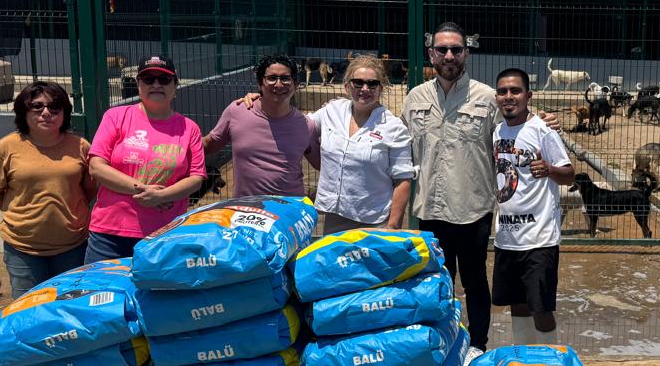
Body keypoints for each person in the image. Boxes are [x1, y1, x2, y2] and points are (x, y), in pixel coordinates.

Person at [403, 22, 559, 362]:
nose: (449, 56)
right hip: (429, 209)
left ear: (467, 54)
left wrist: (545, 119)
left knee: (474, 281)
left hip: (472, 209)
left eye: (456, 50)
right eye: (442, 49)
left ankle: (477, 345)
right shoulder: (414, 98)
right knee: (437, 283)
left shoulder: (488, 98)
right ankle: (442, 343)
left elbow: (516, 128)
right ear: (431, 54)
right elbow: (398, 144)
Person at [84, 55, 206, 263]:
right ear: (139, 84)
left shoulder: (189, 128)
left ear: (175, 85)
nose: (156, 84)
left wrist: (161, 196)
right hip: (110, 234)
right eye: (148, 79)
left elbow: (196, 178)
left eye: (164, 79)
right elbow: (96, 166)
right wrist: (142, 190)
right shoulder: (116, 117)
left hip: (164, 233)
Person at [0, 82, 94, 297]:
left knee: (69, 304)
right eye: (37, 106)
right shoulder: (6, 147)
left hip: (73, 246)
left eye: (54, 107)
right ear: (23, 111)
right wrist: (23, 216)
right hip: (23, 248)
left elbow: (89, 190)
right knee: (28, 307)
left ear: (64, 113)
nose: (46, 113)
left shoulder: (81, 146)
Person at [490, 68, 574, 343]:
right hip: (507, 238)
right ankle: (525, 358)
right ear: (496, 97)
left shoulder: (543, 130)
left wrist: (549, 169)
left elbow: (569, 174)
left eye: (515, 91)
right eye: (502, 91)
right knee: (517, 304)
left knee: (541, 308)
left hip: (539, 239)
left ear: (529, 95)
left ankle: (549, 362)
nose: (508, 96)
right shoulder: (497, 131)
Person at [311, 55, 414, 232]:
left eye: (372, 84)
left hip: (374, 222)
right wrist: (263, 103)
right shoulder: (331, 111)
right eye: (358, 83)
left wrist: (393, 226)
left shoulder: (394, 127)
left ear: (381, 88)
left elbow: (403, 180)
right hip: (335, 217)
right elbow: (299, 128)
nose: (365, 89)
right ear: (347, 86)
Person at [203, 54, 320, 198]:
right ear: (260, 83)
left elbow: (322, 164)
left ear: (295, 84)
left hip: (289, 208)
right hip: (246, 207)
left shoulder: (306, 125)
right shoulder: (237, 111)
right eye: (272, 78)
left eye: (285, 78)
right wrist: (179, 142)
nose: (278, 84)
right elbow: (209, 144)